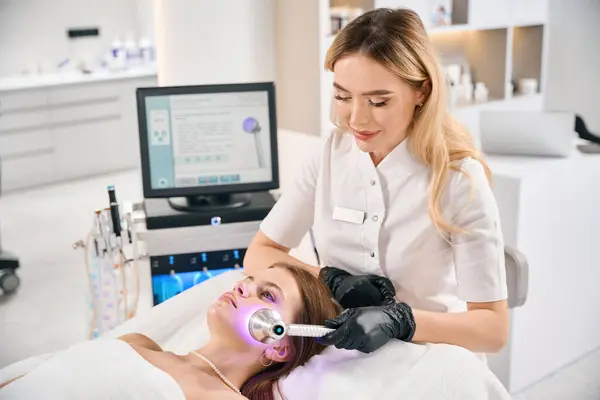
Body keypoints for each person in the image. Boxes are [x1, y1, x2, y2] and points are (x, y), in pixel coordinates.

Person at [244, 8, 509, 356]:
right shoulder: (330, 154)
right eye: (342, 96)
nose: (357, 118)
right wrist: (329, 280)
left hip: (430, 355)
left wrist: (403, 321)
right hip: (343, 353)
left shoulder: (458, 178)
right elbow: (260, 254)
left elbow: (492, 329)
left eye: (378, 101)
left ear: (422, 92)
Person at [0, 263, 340, 400]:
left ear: (279, 346)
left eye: (266, 295)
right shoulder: (138, 342)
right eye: (249, 280)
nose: (241, 287)